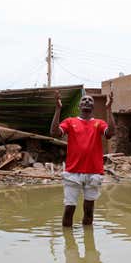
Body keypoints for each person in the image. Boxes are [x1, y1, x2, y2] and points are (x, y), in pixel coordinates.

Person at [50, 91, 116, 227]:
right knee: (69, 210)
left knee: (89, 211)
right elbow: (54, 133)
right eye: (84, 100)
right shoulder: (70, 121)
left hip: (93, 173)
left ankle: (89, 246)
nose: (87, 101)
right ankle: (69, 247)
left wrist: (109, 109)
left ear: (93, 107)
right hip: (72, 173)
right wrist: (58, 109)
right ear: (79, 105)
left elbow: (111, 133)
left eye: (90, 100)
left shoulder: (99, 123)